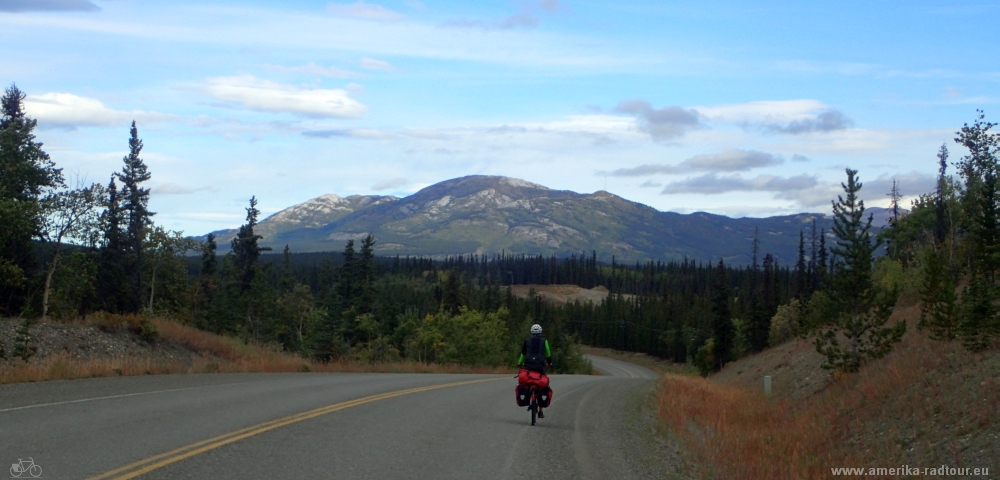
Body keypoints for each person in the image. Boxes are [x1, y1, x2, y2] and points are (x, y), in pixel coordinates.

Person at [518, 324, 553, 418]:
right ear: (540, 332)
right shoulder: (544, 341)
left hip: (529, 364)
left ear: (532, 332)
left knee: (528, 379)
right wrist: (549, 363)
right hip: (540, 365)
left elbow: (523, 354)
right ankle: (541, 411)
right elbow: (548, 353)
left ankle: (528, 396)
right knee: (541, 385)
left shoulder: (527, 341)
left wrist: (520, 362)